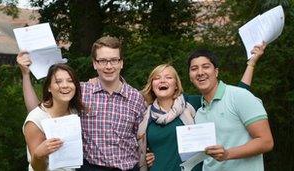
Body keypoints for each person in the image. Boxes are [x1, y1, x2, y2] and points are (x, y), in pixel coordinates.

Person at [17, 36, 146, 171]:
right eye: (102, 61)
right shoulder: (80, 92)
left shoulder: (136, 98)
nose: (109, 66)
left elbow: (142, 137)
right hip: (90, 167)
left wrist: (150, 154)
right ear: (95, 63)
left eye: (114, 60)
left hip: (128, 167)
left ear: (121, 63)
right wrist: (25, 75)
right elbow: (39, 110)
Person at [137, 43, 267, 171]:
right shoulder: (144, 116)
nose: (162, 81)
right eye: (157, 78)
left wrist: (251, 64)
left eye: (168, 77)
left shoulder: (191, 104)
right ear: (152, 84)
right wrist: (148, 155)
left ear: (176, 84)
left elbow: (236, 95)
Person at [187, 48, 274, 171]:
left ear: (216, 72)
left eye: (205, 67)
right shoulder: (199, 114)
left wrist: (227, 154)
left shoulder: (240, 96)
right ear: (190, 76)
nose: (200, 72)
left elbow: (266, 142)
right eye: (194, 69)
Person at [22, 62, 84, 171]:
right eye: (58, 81)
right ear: (49, 88)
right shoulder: (35, 120)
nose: (65, 85)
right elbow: (38, 168)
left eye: (70, 81)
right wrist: (38, 154)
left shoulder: (74, 111)